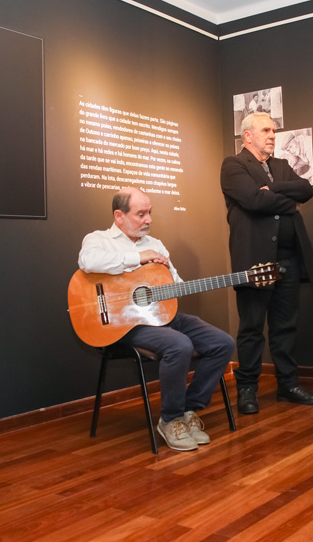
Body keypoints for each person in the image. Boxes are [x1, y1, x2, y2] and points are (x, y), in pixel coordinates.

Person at [78, 188, 234, 452]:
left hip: (160, 315)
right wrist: (138, 258)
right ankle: (170, 419)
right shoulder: (99, 240)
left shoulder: (156, 244)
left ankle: (188, 410)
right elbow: (87, 261)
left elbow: (176, 283)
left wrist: (171, 280)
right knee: (180, 345)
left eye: (149, 212)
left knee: (223, 343)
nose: (148, 219)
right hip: (124, 324)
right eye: (141, 214)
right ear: (119, 216)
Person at [220, 112, 313, 415]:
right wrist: (289, 201)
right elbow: (254, 201)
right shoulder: (233, 165)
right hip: (254, 260)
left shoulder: (282, 165)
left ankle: (288, 385)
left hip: (288, 259)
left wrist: (272, 189)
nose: (272, 135)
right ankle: (247, 390)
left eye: (273, 131)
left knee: (285, 326)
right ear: (247, 135)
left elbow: (307, 189)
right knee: (251, 327)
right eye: (266, 130)